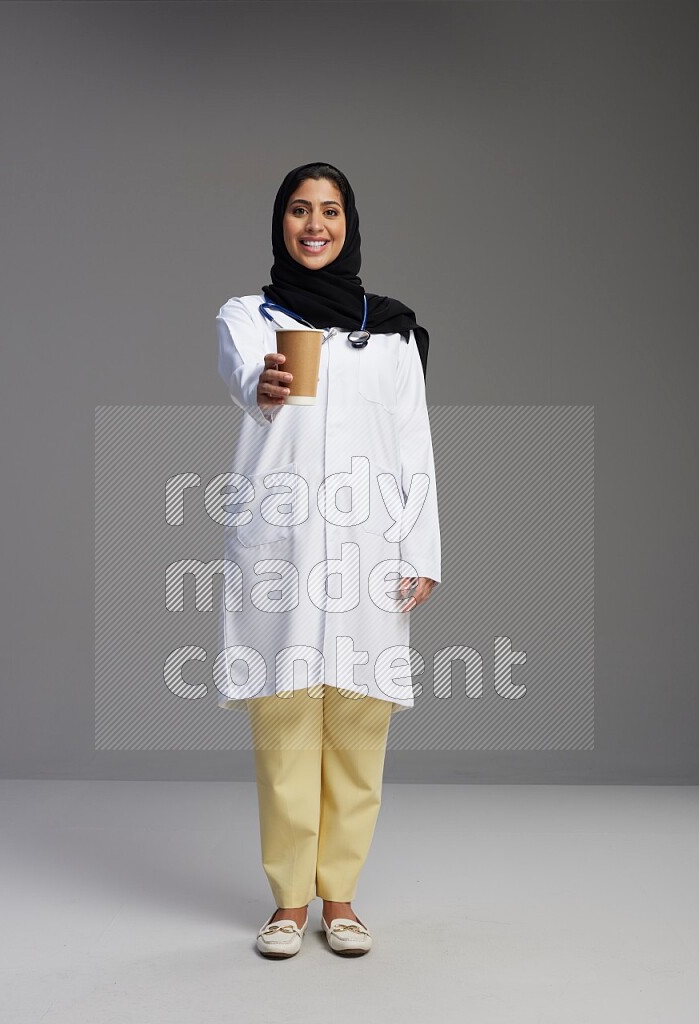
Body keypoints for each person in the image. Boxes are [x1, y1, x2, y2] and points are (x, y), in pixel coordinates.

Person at [215, 162, 441, 958]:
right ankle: (286, 903)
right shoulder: (250, 314)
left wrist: (422, 548)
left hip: (366, 549)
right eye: (301, 211)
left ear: (350, 225)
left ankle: (339, 898)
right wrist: (268, 383)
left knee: (355, 722)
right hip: (281, 545)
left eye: (331, 211)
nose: (315, 224)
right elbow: (249, 377)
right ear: (280, 222)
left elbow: (414, 444)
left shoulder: (391, 331)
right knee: (282, 724)